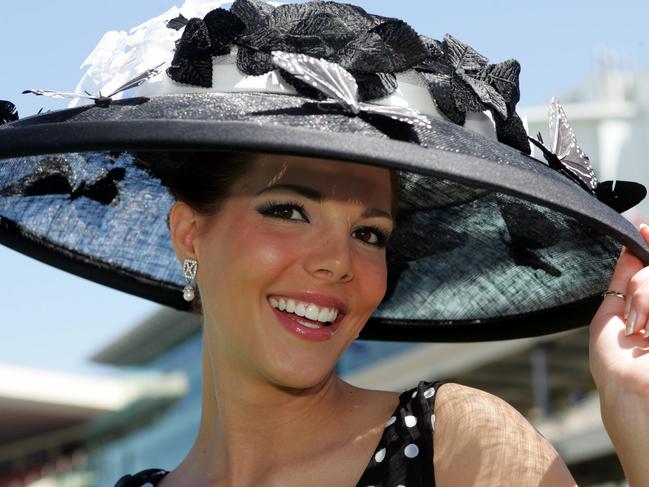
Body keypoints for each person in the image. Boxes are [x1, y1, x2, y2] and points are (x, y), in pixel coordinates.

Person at [1, 1, 649, 485]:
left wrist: (636, 421)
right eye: (288, 209)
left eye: (369, 233)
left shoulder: (458, 443)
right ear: (190, 232)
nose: (337, 261)